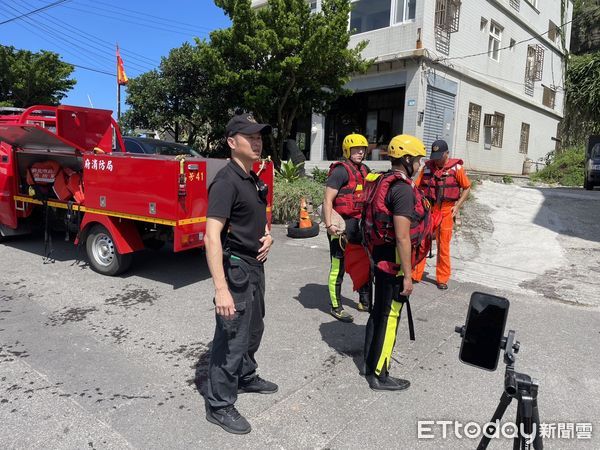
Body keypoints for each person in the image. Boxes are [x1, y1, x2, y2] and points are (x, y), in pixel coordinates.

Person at [203, 114, 277, 435]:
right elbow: (211, 236)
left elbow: (256, 220)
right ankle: (219, 404)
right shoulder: (226, 181)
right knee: (231, 336)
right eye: (250, 137)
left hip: (255, 266)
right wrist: (221, 288)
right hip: (236, 269)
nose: (257, 141)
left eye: (260, 137)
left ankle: (245, 375)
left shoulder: (252, 178)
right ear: (233, 142)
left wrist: (268, 235)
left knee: (254, 328)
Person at [362, 134, 426, 391]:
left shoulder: (384, 180)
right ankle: (380, 374)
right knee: (390, 316)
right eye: (419, 160)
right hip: (394, 263)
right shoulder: (402, 190)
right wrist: (409, 276)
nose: (421, 165)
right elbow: (402, 236)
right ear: (408, 159)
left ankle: (370, 363)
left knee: (379, 312)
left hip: (380, 257)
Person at [322, 133, 372, 323]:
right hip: (341, 226)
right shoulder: (340, 171)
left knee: (364, 263)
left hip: (359, 225)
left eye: (362, 149)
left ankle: (364, 300)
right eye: (356, 149)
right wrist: (329, 225)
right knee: (338, 267)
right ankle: (336, 307)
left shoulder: (365, 169)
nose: (360, 152)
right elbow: (327, 200)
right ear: (347, 151)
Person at [413, 139, 471, 290]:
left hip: (446, 210)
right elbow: (415, 187)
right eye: (434, 156)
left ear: (447, 153)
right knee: (422, 242)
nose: (437, 159)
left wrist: (457, 206)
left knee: (443, 246)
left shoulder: (457, 168)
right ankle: (415, 274)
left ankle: (442, 278)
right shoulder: (427, 168)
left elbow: (467, 187)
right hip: (429, 210)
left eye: (440, 155)